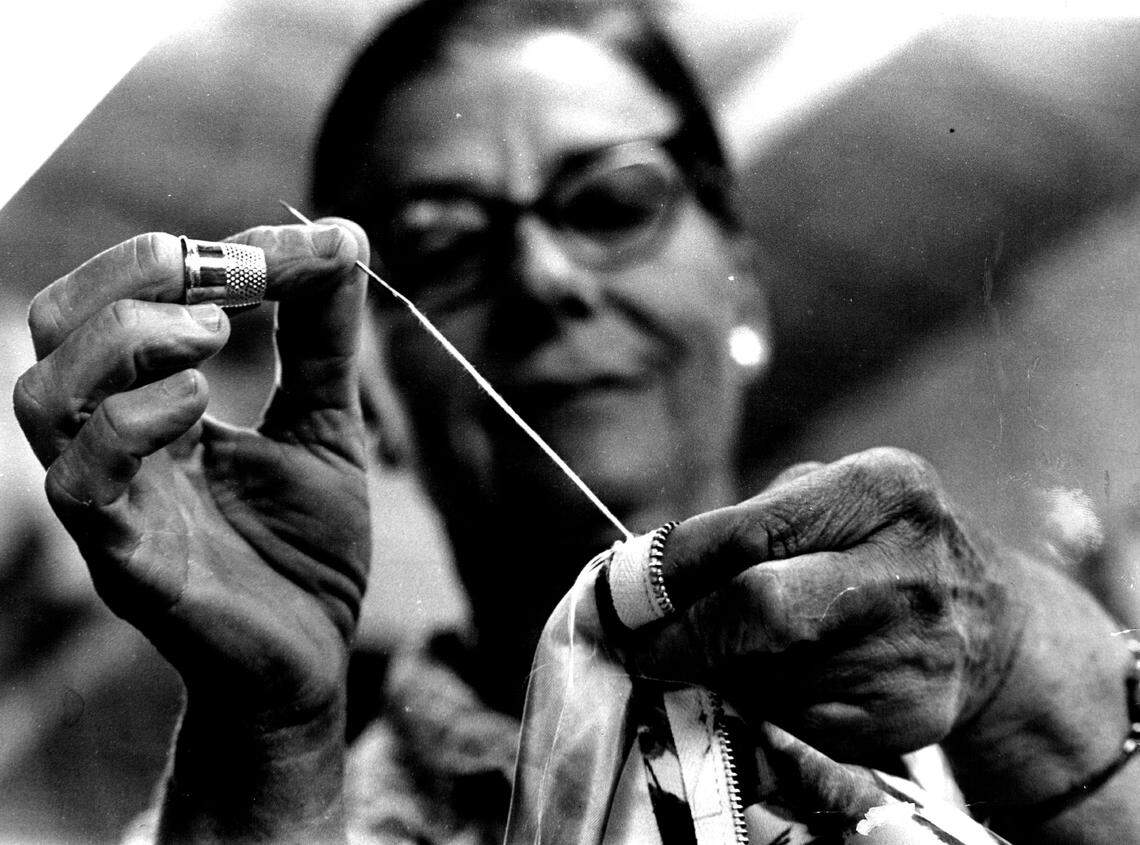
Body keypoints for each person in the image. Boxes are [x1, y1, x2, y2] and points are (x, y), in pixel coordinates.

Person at [11, 0, 1140, 842]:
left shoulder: (1005, 694)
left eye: (609, 202)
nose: (543, 276)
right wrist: (265, 751)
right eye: (447, 245)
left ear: (742, 287)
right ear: (373, 394)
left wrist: (1020, 662)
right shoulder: (281, 809)